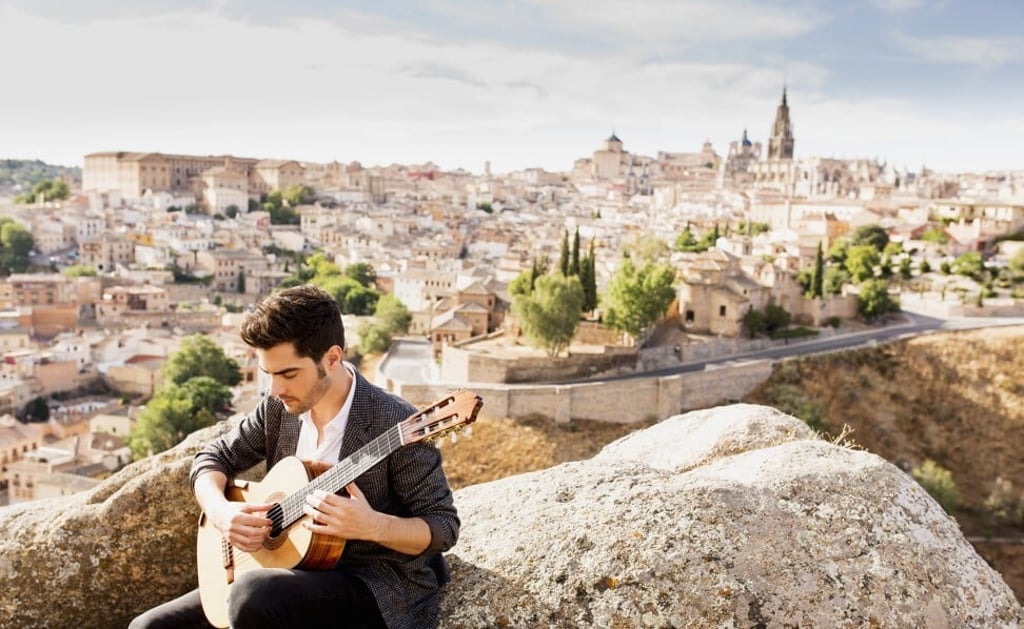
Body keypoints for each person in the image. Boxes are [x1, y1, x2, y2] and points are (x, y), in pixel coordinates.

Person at [130, 284, 459, 629]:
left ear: (332, 358)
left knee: (254, 593)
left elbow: (443, 526)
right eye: (269, 374)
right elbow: (212, 458)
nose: (275, 389)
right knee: (147, 627)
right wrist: (221, 512)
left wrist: (371, 525)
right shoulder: (278, 409)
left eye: (288, 374)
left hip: (370, 583)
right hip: (281, 570)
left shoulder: (394, 424)